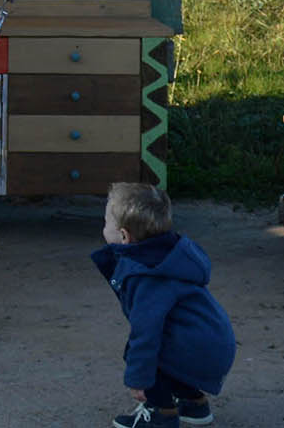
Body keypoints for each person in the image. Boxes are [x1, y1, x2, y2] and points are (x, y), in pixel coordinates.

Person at [90, 183, 236, 428]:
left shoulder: (147, 275)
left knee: (142, 353)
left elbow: (145, 332)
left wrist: (139, 379)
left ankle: (162, 416)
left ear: (124, 236)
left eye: (106, 222)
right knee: (171, 346)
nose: (103, 227)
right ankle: (194, 404)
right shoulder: (170, 254)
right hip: (213, 345)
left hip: (198, 350)